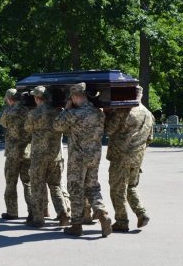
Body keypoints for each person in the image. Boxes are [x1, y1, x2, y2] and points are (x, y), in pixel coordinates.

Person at [53, 82, 112, 238]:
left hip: (78, 158)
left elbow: (57, 125)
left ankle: (76, 225)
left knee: (75, 188)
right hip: (94, 156)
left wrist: (66, 108)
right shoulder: (99, 113)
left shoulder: (74, 114)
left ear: (74, 97)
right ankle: (102, 214)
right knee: (92, 187)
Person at [105, 86, 153, 232]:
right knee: (131, 187)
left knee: (117, 189)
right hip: (137, 158)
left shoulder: (124, 111)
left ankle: (121, 221)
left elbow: (108, 130)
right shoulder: (148, 114)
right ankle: (141, 213)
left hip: (121, 156)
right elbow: (150, 138)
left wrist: (107, 114)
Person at [24, 86, 70, 227]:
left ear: (37, 98)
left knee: (37, 187)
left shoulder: (33, 114)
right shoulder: (59, 112)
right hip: (55, 156)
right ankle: (63, 214)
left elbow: (27, 128)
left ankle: (39, 219)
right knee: (55, 185)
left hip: (39, 157)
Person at [0, 89, 32, 220]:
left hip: (13, 153)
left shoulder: (8, 111)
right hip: (27, 151)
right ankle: (33, 212)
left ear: (10, 99)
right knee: (28, 183)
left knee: (11, 182)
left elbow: (2, 123)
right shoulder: (28, 110)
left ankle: (12, 212)